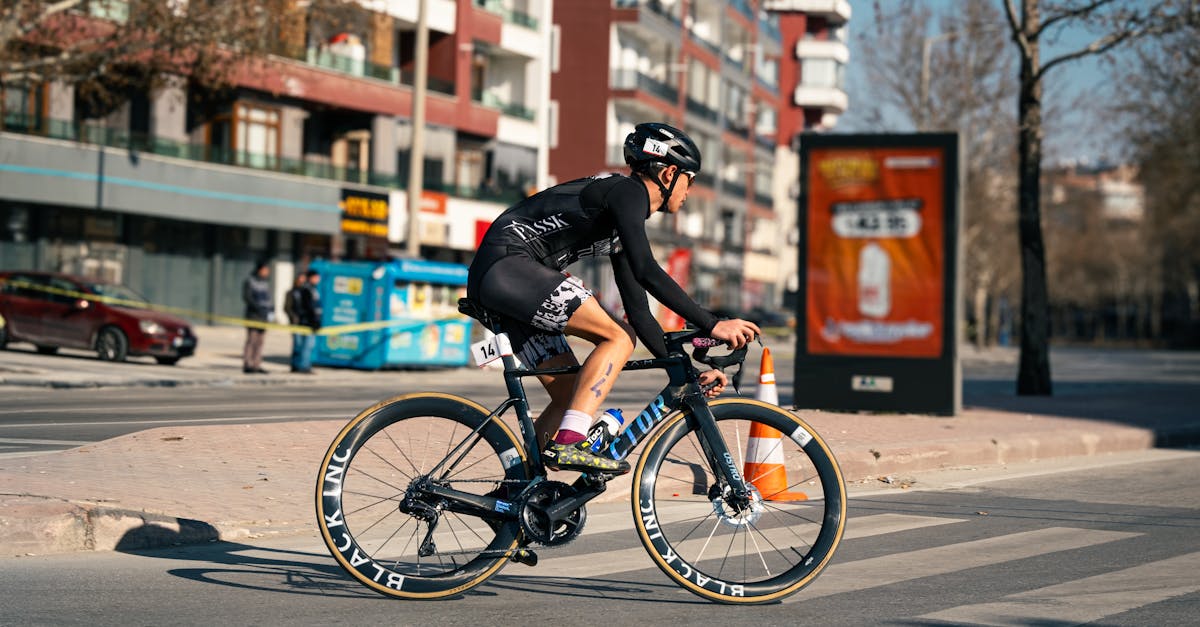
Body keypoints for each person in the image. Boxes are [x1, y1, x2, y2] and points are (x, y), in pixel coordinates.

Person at [467, 122, 761, 475]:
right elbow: (647, 270)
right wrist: (711, 323)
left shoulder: (622, 221)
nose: (690, 190)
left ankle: (522, 494)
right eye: (690, 179)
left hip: (505, 281)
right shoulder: (627, 192)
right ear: (669, 173)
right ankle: (569, 444)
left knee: (571, 396)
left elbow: (639, 312)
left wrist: (685, 372)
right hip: (508, 266)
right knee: (617, 337)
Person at [242, 261, 274, 374]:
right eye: (265, 270)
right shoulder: (250, 281)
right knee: (251, 340)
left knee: (260, 342)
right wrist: (258, 309)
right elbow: (247, 298)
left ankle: (257, 364)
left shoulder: (265, 283)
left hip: (264, 317)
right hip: (253, 316)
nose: (267, 272)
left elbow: (268, 299)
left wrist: (271, 310)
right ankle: (248, 364)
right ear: (260, 270)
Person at [289, 269, 322, 374]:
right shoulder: (307, 290)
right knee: (305, 346)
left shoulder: (313, 289)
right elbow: (309, 308)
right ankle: (303, 366)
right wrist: (313, 321)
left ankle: (302, 365)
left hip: (309, 322)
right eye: (316, 277)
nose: (318, 279)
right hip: (306, 323)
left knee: (306, 346)